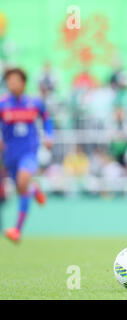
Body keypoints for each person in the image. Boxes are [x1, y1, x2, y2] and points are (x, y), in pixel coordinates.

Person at [0, 68, 53, 243]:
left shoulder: (35, 103)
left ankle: (17, 230)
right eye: (9, 81)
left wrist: (49, 136)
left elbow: (47, 118)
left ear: (23, 83)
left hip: (29, 152)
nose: (11, 84)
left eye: (15, 80)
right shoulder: (3, 103)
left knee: (22, 183)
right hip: (9, 154)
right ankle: (34, 189)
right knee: (22, 189)